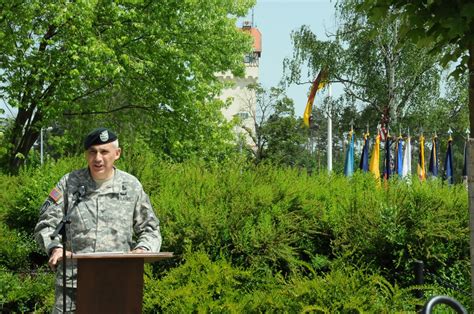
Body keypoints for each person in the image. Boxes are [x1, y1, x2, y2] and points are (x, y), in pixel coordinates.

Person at [34, 127, 162, 313]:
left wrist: (143, 249)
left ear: (117, 153)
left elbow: (150, 228)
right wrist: (55, 247)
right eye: (92, 152)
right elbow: (46, 223)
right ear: (86, 154)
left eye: (104, 151)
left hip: (118, 284)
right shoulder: (69, 183)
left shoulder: (131, 186)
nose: (98, 158)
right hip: (73, 286)